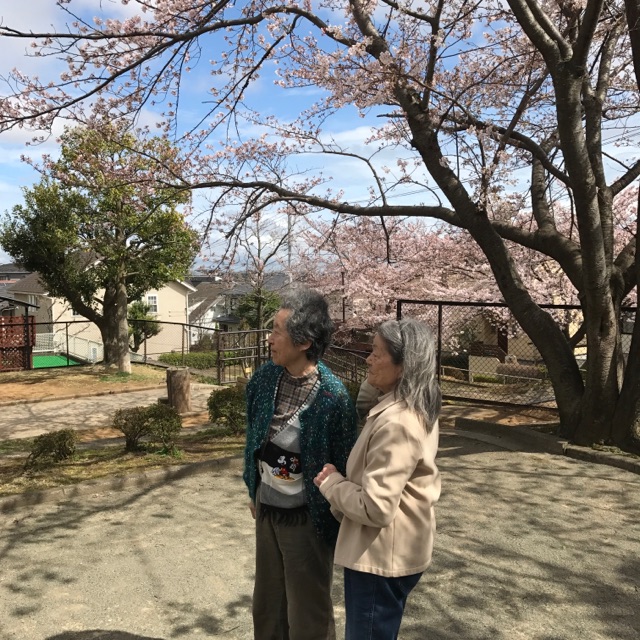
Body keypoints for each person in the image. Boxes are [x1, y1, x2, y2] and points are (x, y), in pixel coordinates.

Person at [314, 318, 441, 640]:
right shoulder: (412, 404)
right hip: (397, 549)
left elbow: (376, 508)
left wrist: (332, 483)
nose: (367, 359)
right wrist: (378, 378)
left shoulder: (397, 423)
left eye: (376, 353)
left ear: (403, 365)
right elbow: (366, 404)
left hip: (380, 556)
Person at [243, 287, 358, 640]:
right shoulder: (265, 379)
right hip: (267, 508)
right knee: (268, 603)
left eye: (277, 331)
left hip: (308, 518)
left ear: (304, 341)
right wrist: (253, 489)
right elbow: (252, 437)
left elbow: (344, 463)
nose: (270, 338)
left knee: (307, 609)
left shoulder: (332, 397)